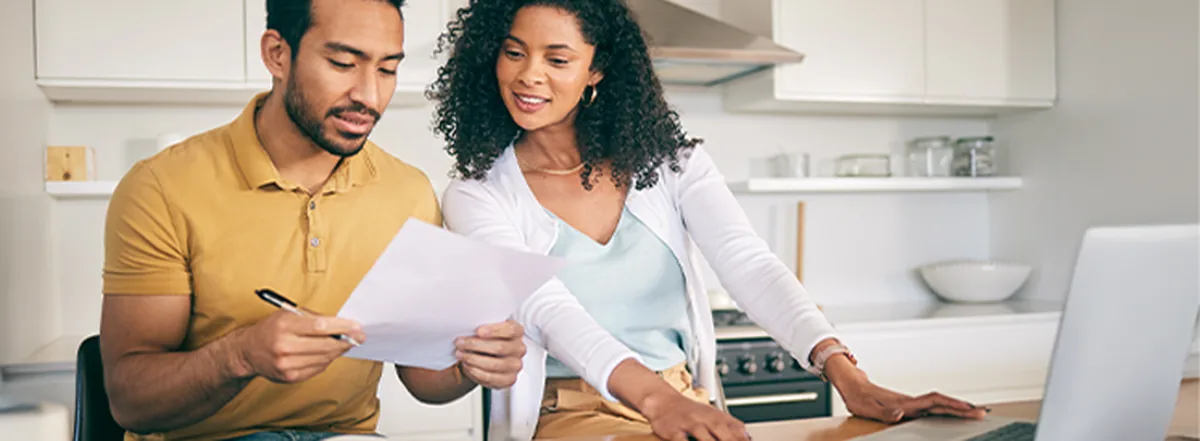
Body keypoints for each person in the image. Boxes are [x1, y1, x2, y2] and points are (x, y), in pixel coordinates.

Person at [427, 1, 990, 440]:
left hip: (682, 399)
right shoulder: (478, 196)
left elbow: (750, 265)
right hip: (568, 414)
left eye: (557, 58)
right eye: (513, 52)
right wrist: (652, 399)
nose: (528, 76)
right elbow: (546, 309)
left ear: (595, 71)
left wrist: (849, 378)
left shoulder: (672, 164)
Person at [98, 1, 526, 440]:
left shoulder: (408, 193)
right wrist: (239, 356)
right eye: (343, 63)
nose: (370, 96)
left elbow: (421, 378)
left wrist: (473, 364)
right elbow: (130, 402)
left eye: (387, 70)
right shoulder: (162, 187)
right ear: (277, 54)